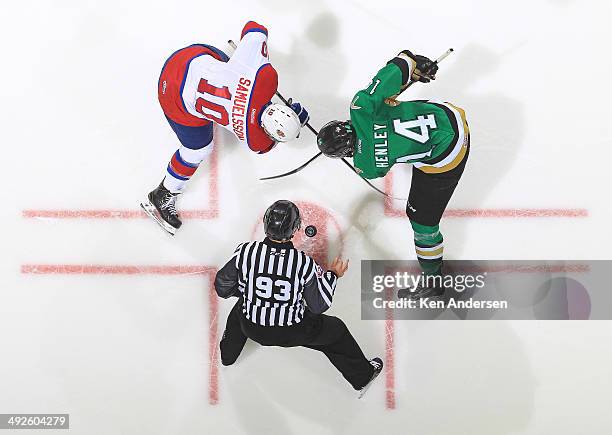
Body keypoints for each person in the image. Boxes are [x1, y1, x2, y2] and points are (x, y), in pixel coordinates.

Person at [316, 49, 469, 299]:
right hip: (449, 114)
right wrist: (417, 66)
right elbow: (400, 63)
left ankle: (433, 280)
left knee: (422, 223)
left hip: (449, 153)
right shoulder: (362, 106)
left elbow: (374, 157)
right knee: (392, 105)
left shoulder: (367, 166)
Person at [141, 21, 309, 235]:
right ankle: (162, 194)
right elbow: (268, 143)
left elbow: (255, 27)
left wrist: (252, 59)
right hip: (175, 98)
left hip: (183, 60)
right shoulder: (256, 140)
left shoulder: (264, 77)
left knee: (228, 63)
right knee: (198, 150)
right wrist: (297, 118)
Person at [214, 200, 383, 397]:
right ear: (295, 229)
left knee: (240, 309)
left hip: (251, 327)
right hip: (290, 333)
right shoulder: (303, 263)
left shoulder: (245, 252)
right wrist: (333, 275)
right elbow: (319, 305)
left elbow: (222, 286)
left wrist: (247, 293)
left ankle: (227, 355)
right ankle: (363, 376)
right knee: (336, 331)